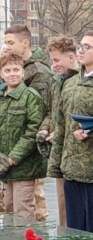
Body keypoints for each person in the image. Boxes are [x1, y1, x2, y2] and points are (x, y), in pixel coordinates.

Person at [47, 31, 93, 234]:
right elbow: (61, 126)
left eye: (87, 47)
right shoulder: (70, 83)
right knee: (75, 235)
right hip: (72, 170)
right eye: (80, 46)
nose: (80, 50)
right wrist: (57, 165)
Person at [4, 24, 54, 222]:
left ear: (25, 43)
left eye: (10, 43)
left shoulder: (38, 72)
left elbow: (39, 117)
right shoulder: (11, 78)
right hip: (7, 160)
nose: (6, 47)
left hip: (26, 158)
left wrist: (13, 156)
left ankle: (36, 239)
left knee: (29, 208)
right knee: (10, 210)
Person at [0, 53, 47, 220]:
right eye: (7, 70)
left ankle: (26, 238)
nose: (12, 74)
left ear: (23, 72)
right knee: (9, 211)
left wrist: (13, 157)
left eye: (16, 69)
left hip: (24, 167)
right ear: (1, 74)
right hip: (5, 168)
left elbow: (33, 130)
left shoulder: (30, 96)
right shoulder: (1, 98)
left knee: (23, 212)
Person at [44, 35, 80, 227]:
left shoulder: (80, 82)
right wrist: (46, 129)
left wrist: (58, 132)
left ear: (71, 57)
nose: (54, 65)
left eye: (57, 60)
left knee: (73, 208)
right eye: (52, 61)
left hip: (76, 153)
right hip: (60, 151)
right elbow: (53, 112)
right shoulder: (58, 81)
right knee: (62, 205)